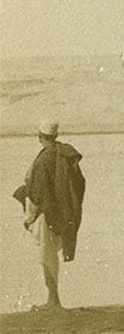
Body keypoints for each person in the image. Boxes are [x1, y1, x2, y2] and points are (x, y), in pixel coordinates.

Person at [12, 120, 85, 311]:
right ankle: (53, 299)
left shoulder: (43, 159)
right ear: (55, 136)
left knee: (46, 257)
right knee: (51, 256)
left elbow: (36, 193)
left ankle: (53, 300)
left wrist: (29, 217)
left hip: (47, 215)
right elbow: (79, 185)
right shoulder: (66, 155)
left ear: (40, 136)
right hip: (65, 213)